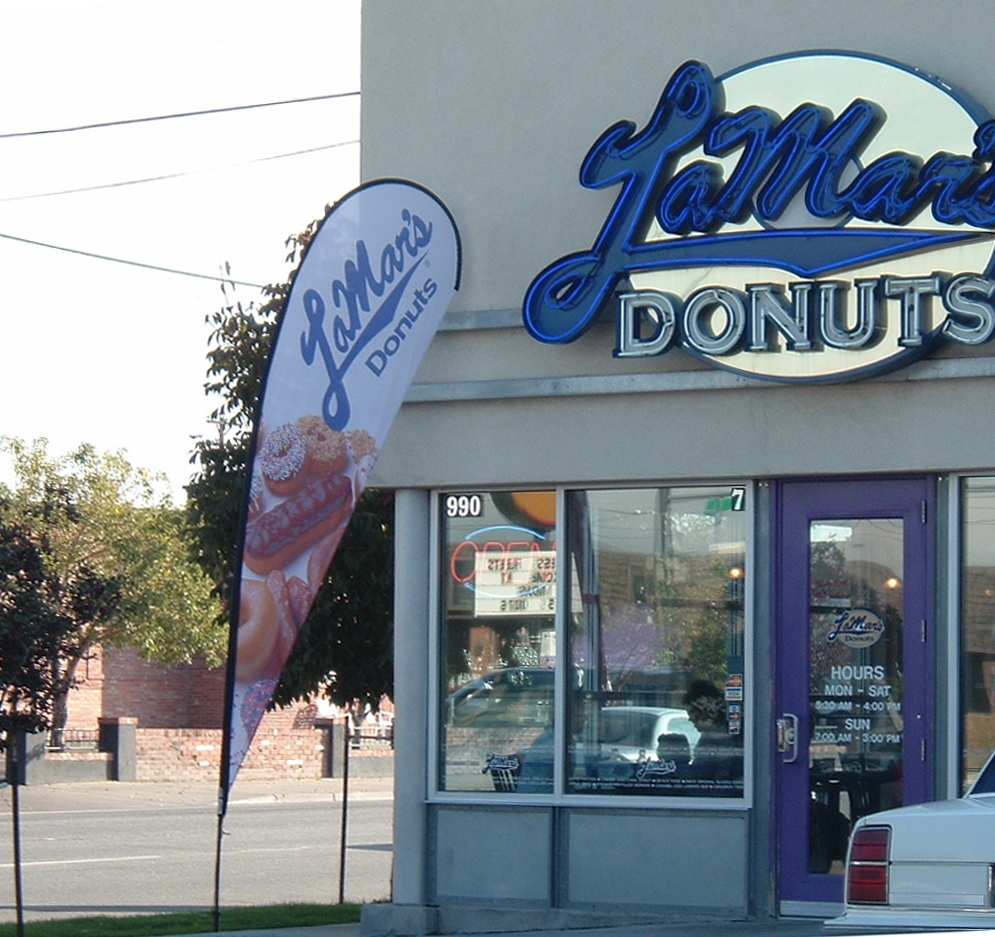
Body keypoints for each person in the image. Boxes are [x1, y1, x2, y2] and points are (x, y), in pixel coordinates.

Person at [683, 679, 743, 781]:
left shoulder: (734, 742)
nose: (690, 718)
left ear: (708, 711)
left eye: (693, 713)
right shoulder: (707, 739)